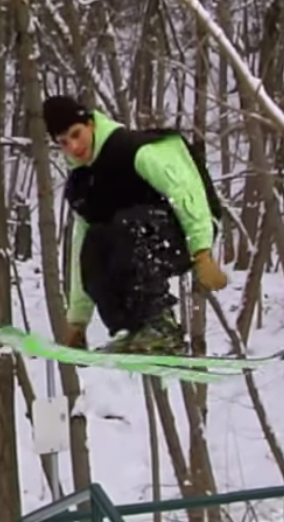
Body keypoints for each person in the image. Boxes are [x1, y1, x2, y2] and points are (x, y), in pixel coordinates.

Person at [42, 94, 229, 354]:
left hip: (187, 228)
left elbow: (186, 192)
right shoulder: (81, 187)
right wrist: (77, 320)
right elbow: (80, 252)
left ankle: (161, 326)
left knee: (126, 227)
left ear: (91, 124)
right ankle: (134, 329)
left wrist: (202, 251)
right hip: (137, 240)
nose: (73, 146)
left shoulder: (133, 150)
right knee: (95, 243)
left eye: (76, 134)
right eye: (63, 142)